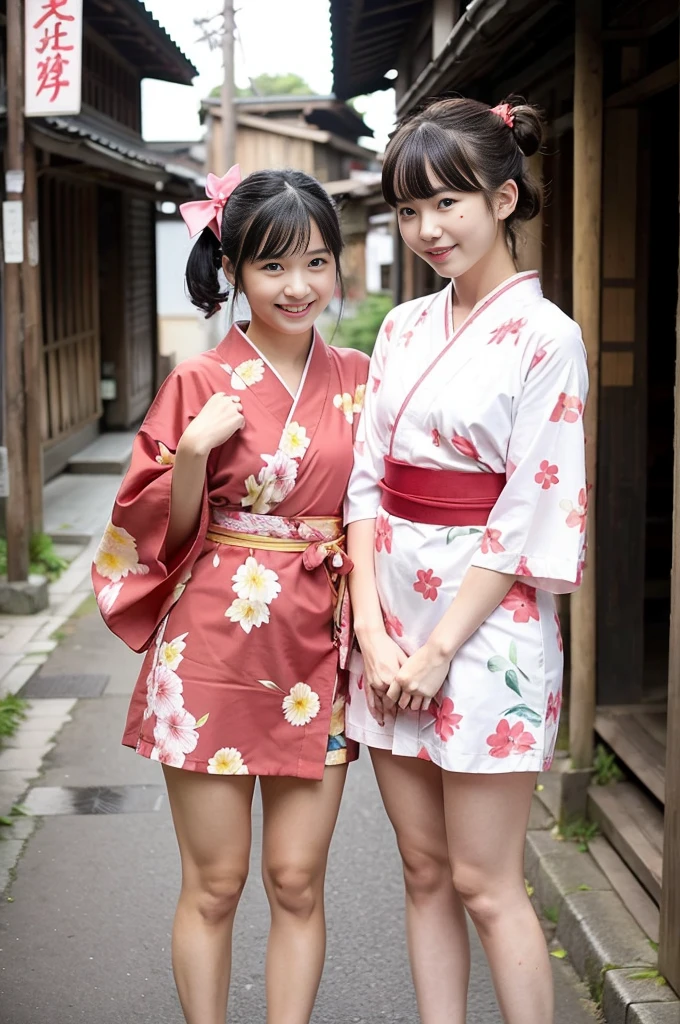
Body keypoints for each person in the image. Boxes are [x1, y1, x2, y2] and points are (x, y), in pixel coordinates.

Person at [92, 166, 368, 1024]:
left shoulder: (363, 374)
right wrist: (191, 460)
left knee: (296, 880)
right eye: (274, 267)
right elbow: (158, 537)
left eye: (317, 263)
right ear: (235, 271)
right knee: (215, 883)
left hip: (317, 644)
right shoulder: (199, 382)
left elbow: (379, 514)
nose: (298, 286)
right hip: (211, 646)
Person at [344, 97, 588, 1024]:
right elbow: (365, 484)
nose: (427, 229)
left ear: (505, 197)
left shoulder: (549, 338)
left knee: (488, 883)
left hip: (486, 631)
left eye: (448, 203)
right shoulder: (403, 327)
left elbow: (530, 511)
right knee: (422, 870)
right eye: (408, 210)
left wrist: (439, 647)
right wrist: (373, 632)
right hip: (393, 626)